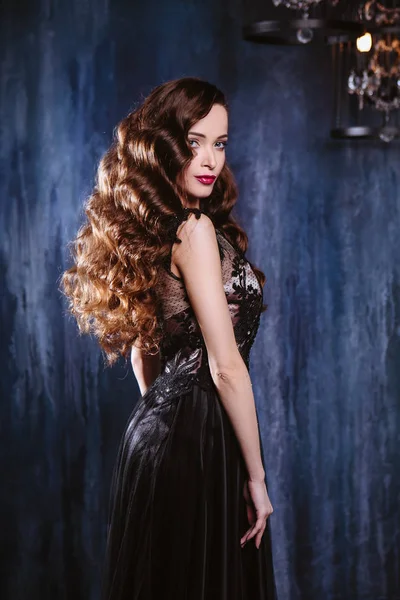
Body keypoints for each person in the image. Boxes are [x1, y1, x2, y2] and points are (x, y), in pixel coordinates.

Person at [61, 76, 277, 600]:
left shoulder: (163, 226)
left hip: (166, 434)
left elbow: (144, 350)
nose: (209, 159)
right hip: (195, 439)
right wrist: (258, 480)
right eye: (194, 141)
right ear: (166, 145)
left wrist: (164, 418)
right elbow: (225, 368)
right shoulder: (195, 230)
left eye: (220, 143)